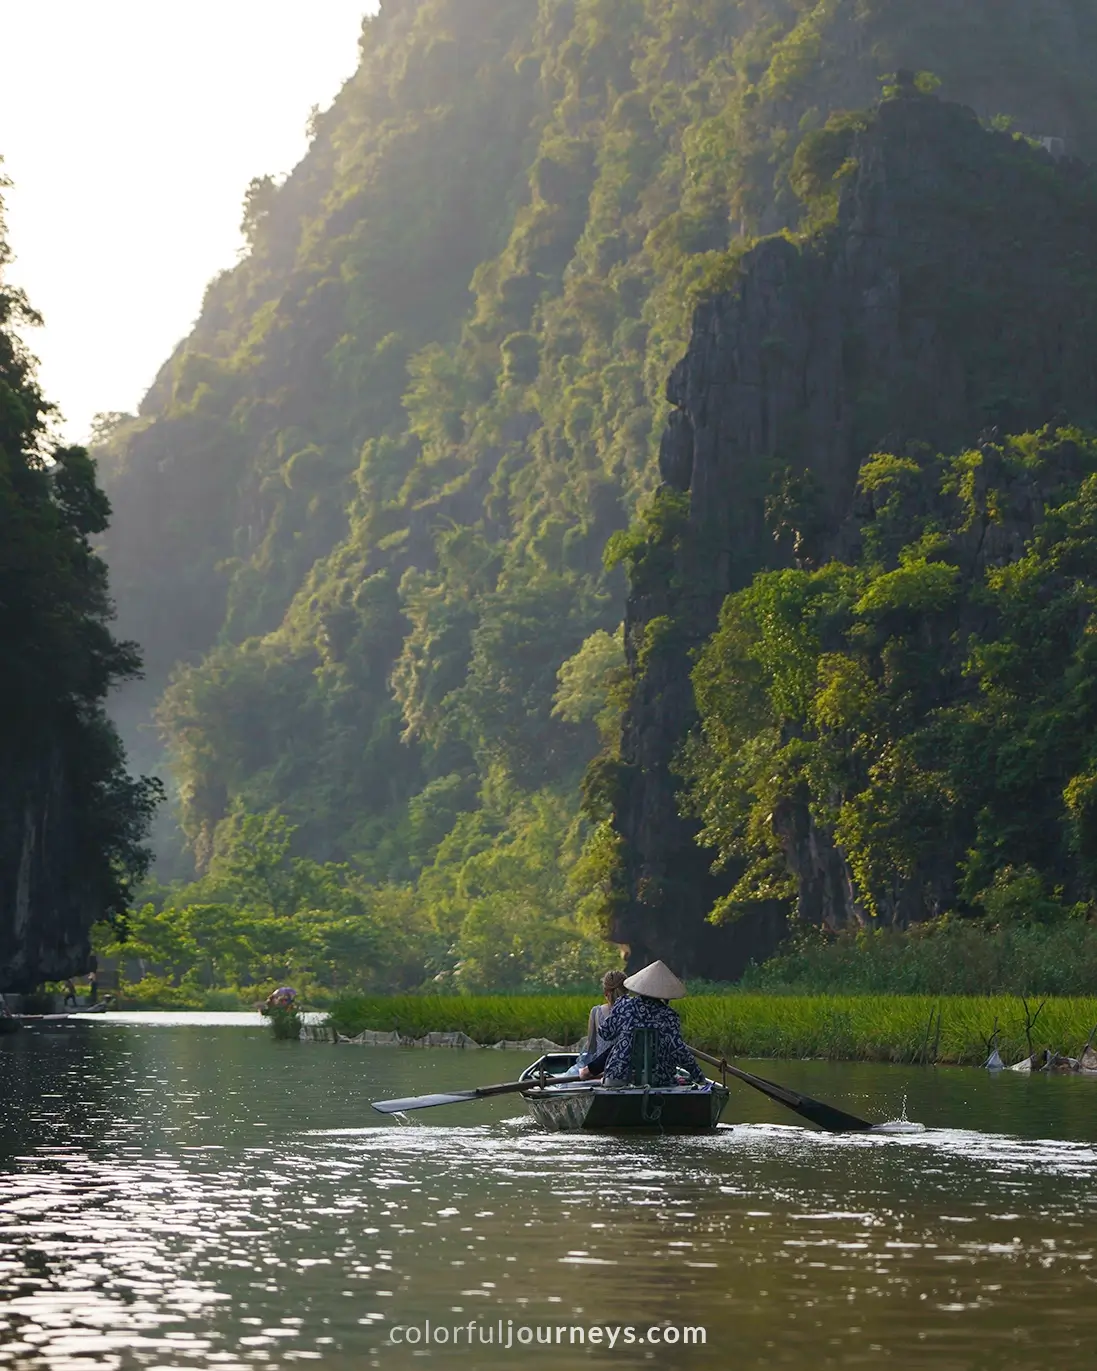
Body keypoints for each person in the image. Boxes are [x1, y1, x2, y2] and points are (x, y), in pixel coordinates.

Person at [580, 960, 706, 1088]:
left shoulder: (624, 1005)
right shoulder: (670, 1016)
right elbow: (679, 1051)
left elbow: (605, 1034)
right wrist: (698, 1076)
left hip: (618, 1077)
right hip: (659, 1080)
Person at [577, 970, 627, 1071]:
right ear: (627, 990)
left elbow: (591, 1048)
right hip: (626, 1068)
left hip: (602, 1069)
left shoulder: (596, 1012)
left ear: (605, 992)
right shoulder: (634, 1012)